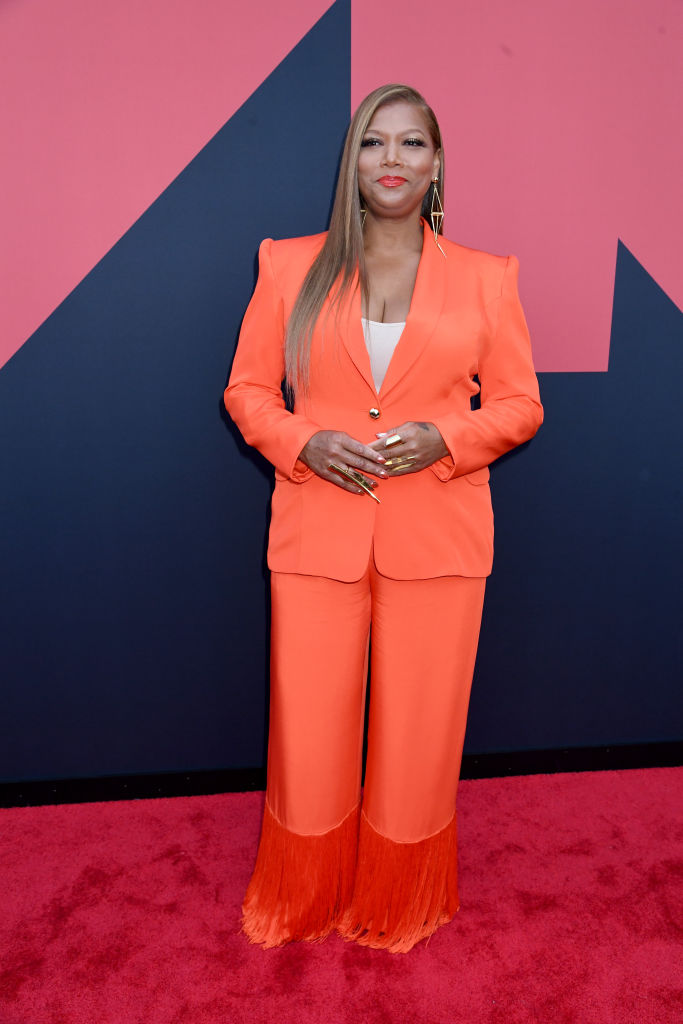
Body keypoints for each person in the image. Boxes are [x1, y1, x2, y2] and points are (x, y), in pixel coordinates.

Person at [224, 83, 543, 953]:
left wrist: (444, 435)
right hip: (314, 535)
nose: (391, 161)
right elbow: (248, 390)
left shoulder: (487, 278)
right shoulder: (289, 265)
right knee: (310, 734)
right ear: (351, 161)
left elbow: (519, 406)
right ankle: (303, 895)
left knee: (418, 736)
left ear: (437, 165)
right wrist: (303, 443)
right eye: (374, 143)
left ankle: (398, 901)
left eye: (410, 144)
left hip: (437, 538)